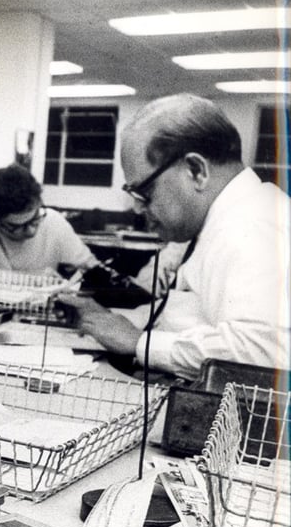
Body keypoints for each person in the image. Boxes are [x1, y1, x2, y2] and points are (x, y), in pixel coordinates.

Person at [60, 94, 290, 379]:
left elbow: (262, 351)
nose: (137, 207)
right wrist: (113, 321)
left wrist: (139, 343)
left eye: (144, 191)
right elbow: (192, 315)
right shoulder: (226, 218)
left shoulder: (252, 226)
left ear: (196, 170)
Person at [0, 164, 99, 273]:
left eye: (35, 218)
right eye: (16, 227)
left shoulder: (54, 221)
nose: (31, 231)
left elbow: (90, 269)